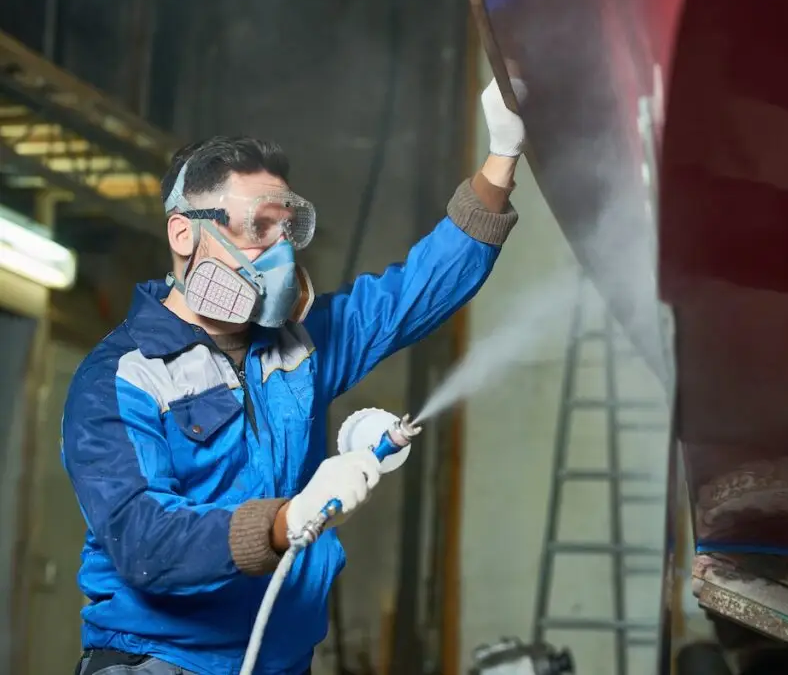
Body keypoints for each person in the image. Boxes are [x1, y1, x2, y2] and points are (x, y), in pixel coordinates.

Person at [62, 77, 527, 675]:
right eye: (258, 227)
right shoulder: (121, 379)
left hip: (281, 660)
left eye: (287, 229)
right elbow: (142, 538)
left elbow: (413, 292)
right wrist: (286, 521)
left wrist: (502, 156)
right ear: (184, 232)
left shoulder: (297, 349)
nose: (280, 252)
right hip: (161, 661)